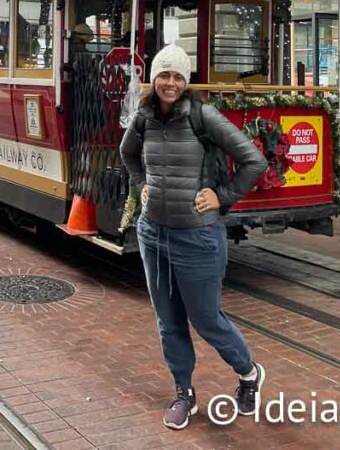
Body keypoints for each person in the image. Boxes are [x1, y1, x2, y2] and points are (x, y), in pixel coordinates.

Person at [120, 44, 268, 430]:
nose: (170, 83)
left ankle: (249, 373)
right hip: (153, 234)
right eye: (164, 75)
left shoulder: (204, 116)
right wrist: (141, 186)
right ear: (154, 79)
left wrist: (222, 196)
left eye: (177, 76)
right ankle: (183, 392)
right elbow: (128, 155)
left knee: (206, 319)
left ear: (186, 82)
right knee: (168, 320)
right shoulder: (143, 117)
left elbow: (254, 161)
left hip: (198, 237)